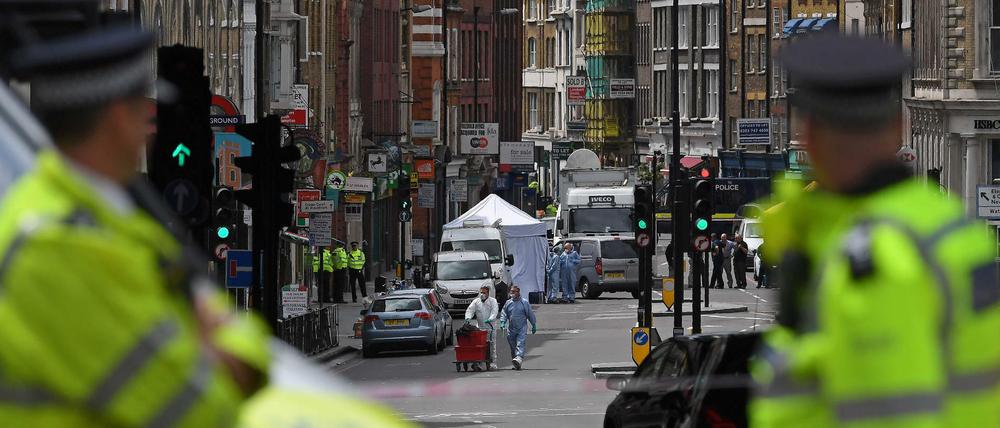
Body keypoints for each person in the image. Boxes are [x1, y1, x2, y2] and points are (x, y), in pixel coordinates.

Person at [0, 26, 272, 426]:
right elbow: (201, 406)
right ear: (114, 118)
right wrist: (236, 339)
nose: (151, 127)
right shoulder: (64, 240)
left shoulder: (95, 209)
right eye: (141, 112)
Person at [750, 35, 1000, 427]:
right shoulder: (953, 227)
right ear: (899, 125)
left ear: (810, 137)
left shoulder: (871, 257)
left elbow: (891, 411)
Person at [499, 285, 537, 370]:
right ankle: (516, 362)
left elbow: (530, 313)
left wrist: (533, 324)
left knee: (520, 343)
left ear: (518, 292)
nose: (512, 293)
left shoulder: (524, 302)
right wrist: (502, 322)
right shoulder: (508, 303)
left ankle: (519, 358)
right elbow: (504, 313)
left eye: (514, 291)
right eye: (511, 291)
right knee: (513, 346)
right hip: (511, 328)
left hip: (521, 327)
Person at [464, 285, 499, 370]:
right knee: (479, 346)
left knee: (491, 346)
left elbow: (494, 312)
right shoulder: (476, 301)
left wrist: (490, 319)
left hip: (490, 328)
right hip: (480, 328)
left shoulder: (493, 301)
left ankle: (492, 363)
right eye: (481, 292)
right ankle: (478, 363)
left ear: (488, 293)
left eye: (484, 292)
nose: (482, 294)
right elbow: (470, 310)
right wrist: (468, 317)